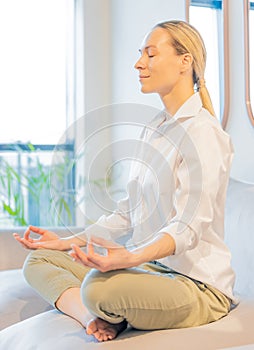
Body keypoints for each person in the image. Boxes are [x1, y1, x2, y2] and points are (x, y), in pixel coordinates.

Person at [14, 20, 236, 342]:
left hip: (196, 284)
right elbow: (127, 214)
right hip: (154, 270)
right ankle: (93, 318)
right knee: (41, 259)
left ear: (184, 61)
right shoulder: (156, 128)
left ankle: (102, 308)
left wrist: (130, 258)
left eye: (150, 54)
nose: (138, 63)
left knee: (100, 287)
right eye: (140, 54)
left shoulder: (204, 133)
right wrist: (66, 242)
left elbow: (188, 226)